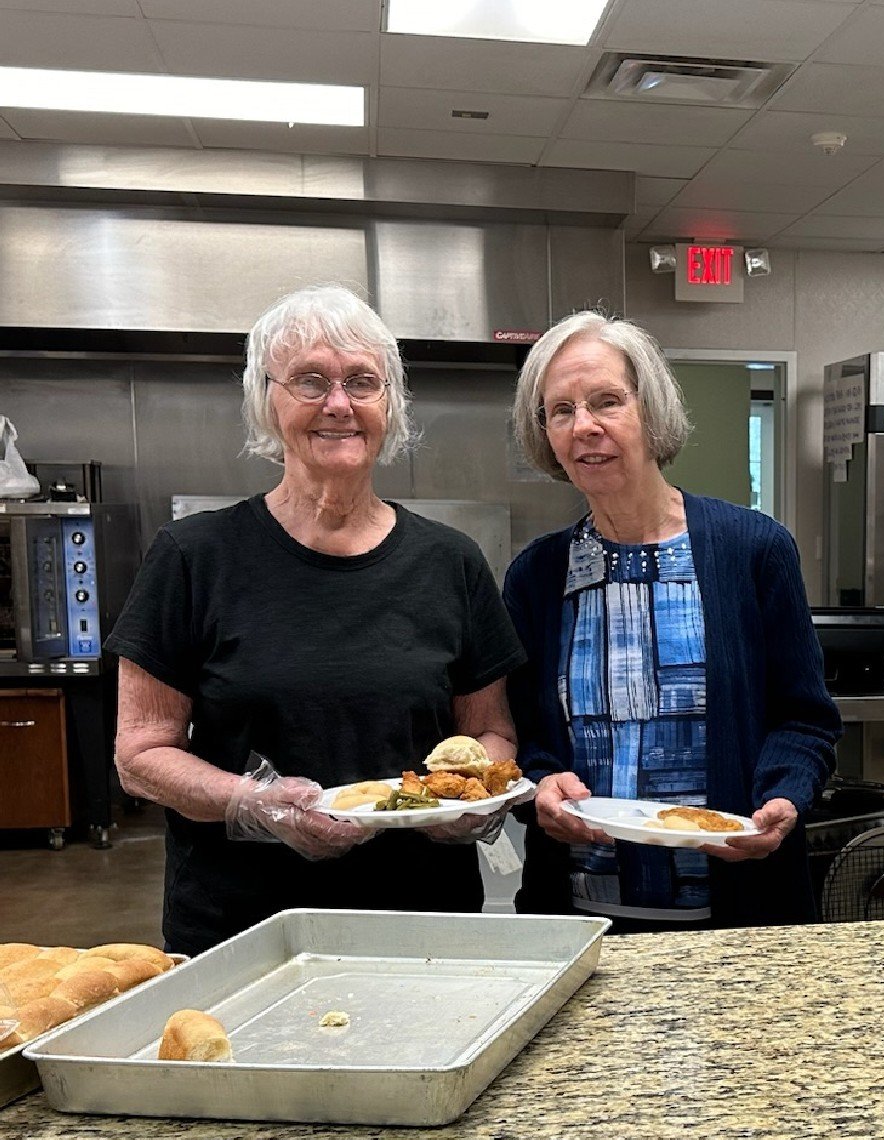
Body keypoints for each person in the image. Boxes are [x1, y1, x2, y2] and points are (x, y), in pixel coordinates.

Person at [108, 284, 525, 954]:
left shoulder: (451, 563)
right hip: (243, 930)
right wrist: (249, 802)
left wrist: (464, 803)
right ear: (265, 402)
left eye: (362, 381)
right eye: (310, 381)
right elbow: (140, 754)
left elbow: (490, 732)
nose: (339, 404)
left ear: (389, 405)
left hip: (420, 925)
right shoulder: (192, 557)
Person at [503, 310, 841, 930]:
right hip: (581, 919)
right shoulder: (536, 576)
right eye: (561, 410)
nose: (586, 427)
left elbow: (804, 718)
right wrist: (541, 787)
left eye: (607, 401)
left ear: (650, 410)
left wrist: (782, 797)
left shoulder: (754, 550)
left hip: (739, 912)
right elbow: (527, 740)